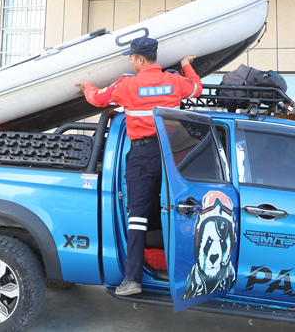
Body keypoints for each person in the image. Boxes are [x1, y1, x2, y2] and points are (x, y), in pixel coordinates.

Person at [76, 37, 201, 297]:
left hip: (142, 155)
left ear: (140, 59)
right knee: (182, 211)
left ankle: (132, 279)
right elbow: (196, 89)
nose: (131, 62)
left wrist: (87, 86)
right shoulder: (174, 81)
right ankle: (187, 277)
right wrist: (186, 65)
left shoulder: (128, 85)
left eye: (132, 58)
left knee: (138, 216)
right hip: (174, 155)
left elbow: (98, 99)